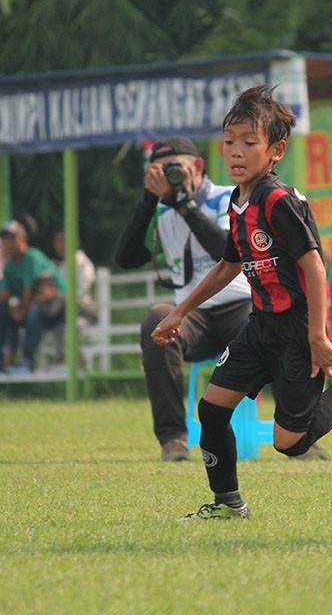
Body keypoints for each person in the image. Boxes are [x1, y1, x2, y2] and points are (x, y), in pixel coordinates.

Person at [151, 85, 332, 519]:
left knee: (290, 443)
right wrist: (180, 313)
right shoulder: (237, 201)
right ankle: (228, 504)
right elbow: (228, 265)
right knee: (211, 410)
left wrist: (317, 336)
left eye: (249, 142)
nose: (235, 152)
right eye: (229, 141)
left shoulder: (278, 200)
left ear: (276, 151)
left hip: (297, 330)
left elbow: (315, 267)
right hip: (260, 326)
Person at [114, 135, 252, 462]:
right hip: (193, 317)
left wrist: (185, 205)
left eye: (175, 168)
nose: (169, 176)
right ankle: (173, 439)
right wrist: (148, 201)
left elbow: (226, 251)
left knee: (274, 322)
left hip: (241, 307)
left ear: (198, 166)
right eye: (159, 171)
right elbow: (126, 258)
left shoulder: (227, 197)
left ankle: (299, 433)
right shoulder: (163, 212)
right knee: (156, 319)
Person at [0, 219, 66, 373]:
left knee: (33, 312)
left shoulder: (32, 258)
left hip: (57, 308)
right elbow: (5, 294)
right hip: (32, 307)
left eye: (12, 239)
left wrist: (21, 311)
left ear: (23, 240)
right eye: (5, 240)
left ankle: (28, 362)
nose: (8, 244)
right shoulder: (9, 265)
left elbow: (31, 291)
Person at [53, 229, 97, 323]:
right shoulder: (62, 264)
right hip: (65, 308)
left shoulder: (82, 262)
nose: (60, 245)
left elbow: (83, 288)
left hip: (82, 309)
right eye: (57, 241)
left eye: (63, 240)